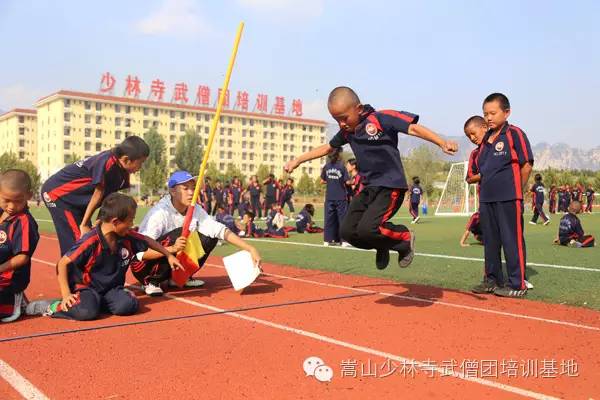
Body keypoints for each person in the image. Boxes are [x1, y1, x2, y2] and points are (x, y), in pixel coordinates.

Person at [285, 86, 457, 270]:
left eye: (344, 118)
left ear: (358, 109)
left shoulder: (381, 119)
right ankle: (381, 245)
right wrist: (298, 160)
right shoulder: (347, 132)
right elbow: (327, 148)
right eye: (337, 120)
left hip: (390, 187)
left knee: (368, 229)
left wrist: (441, 142)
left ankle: (405, 238)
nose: (341, 123)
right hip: (368, 189)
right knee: (348, 232)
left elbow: (413, 129)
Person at [26, 193, 181, 320]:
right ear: (115, 221)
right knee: (87, 312)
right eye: (130, 220)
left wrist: (169, 254)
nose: (133, 223)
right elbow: (63, 263)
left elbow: (147, 240)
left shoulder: (126, 236)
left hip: (111, 289)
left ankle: (100, 302)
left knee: (128, 306)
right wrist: (66, 295)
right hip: (86, 288)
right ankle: (53, 306)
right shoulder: (90, 241)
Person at [131, 171, 261, 296]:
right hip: (143, 267)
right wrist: (171, 249)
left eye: (193, 188)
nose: (191, 193)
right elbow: (141, 253)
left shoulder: (195, 209)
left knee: (209, 237)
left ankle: (180, 277)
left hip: (171, 256)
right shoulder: (159, 213)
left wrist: (250, 248)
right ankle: (153, 281)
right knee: (180, 234)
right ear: (172, 191)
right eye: (185, 188)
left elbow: (218, 229)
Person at [41, 136, 149, 256]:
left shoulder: (123, 174)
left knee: (91, 240)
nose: (140, 168)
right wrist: (83, 225)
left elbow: (108, 200)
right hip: (59, 195)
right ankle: (68, 272)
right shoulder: (106, 161)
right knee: (79, 245)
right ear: (125, 159)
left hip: (78, 201)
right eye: (141, 163)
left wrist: (100, 223)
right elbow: (99, 193)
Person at [470, 93, 533, 298]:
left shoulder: (515, 134)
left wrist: (518, 189)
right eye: (485, 113)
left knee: (511, 240)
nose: (488, 117)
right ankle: (492, 279)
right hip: (487, 199)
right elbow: (484, 170)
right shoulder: (486, 139)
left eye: (493, 113)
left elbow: (526, 164)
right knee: (491, 241)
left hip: (509, 197)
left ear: (507, 112)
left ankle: (517, 284)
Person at [0, 170, 40, 323]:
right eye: (6, 200)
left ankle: (14, 302)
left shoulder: (23, 221)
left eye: (18, 201)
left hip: (9, 278)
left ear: (28, 196)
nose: (11, 206)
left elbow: (22, 257)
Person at [320, 149, 350, 246]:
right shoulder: (342, 166)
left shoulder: (326, 166)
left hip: (329, 196)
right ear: (338, 155)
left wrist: (331, 181)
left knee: (329, 219)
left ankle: (327, 240)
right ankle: (344, 241)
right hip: (340, 196)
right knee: (342, 219)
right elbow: (347, 181)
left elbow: (322, 180)